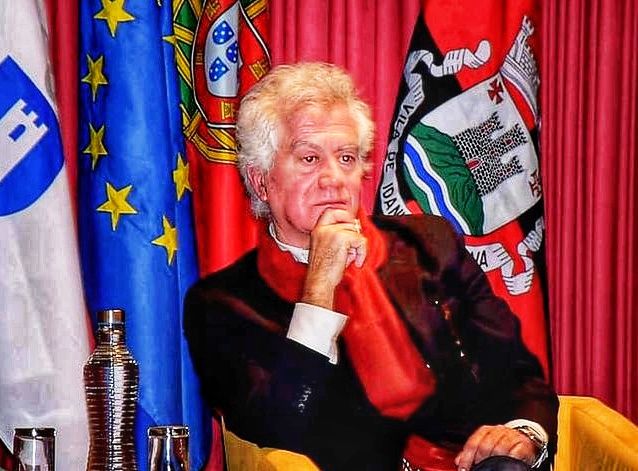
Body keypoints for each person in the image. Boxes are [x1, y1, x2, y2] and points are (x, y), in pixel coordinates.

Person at [184, 62, 558, 471]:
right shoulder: (220, 304)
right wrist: (319, 288)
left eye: (346, 157)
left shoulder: (428, 244)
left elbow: (516, 372)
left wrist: (524, 433)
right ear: (261, 182)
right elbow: (276, 430)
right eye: (309, 158)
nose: (333, 178)